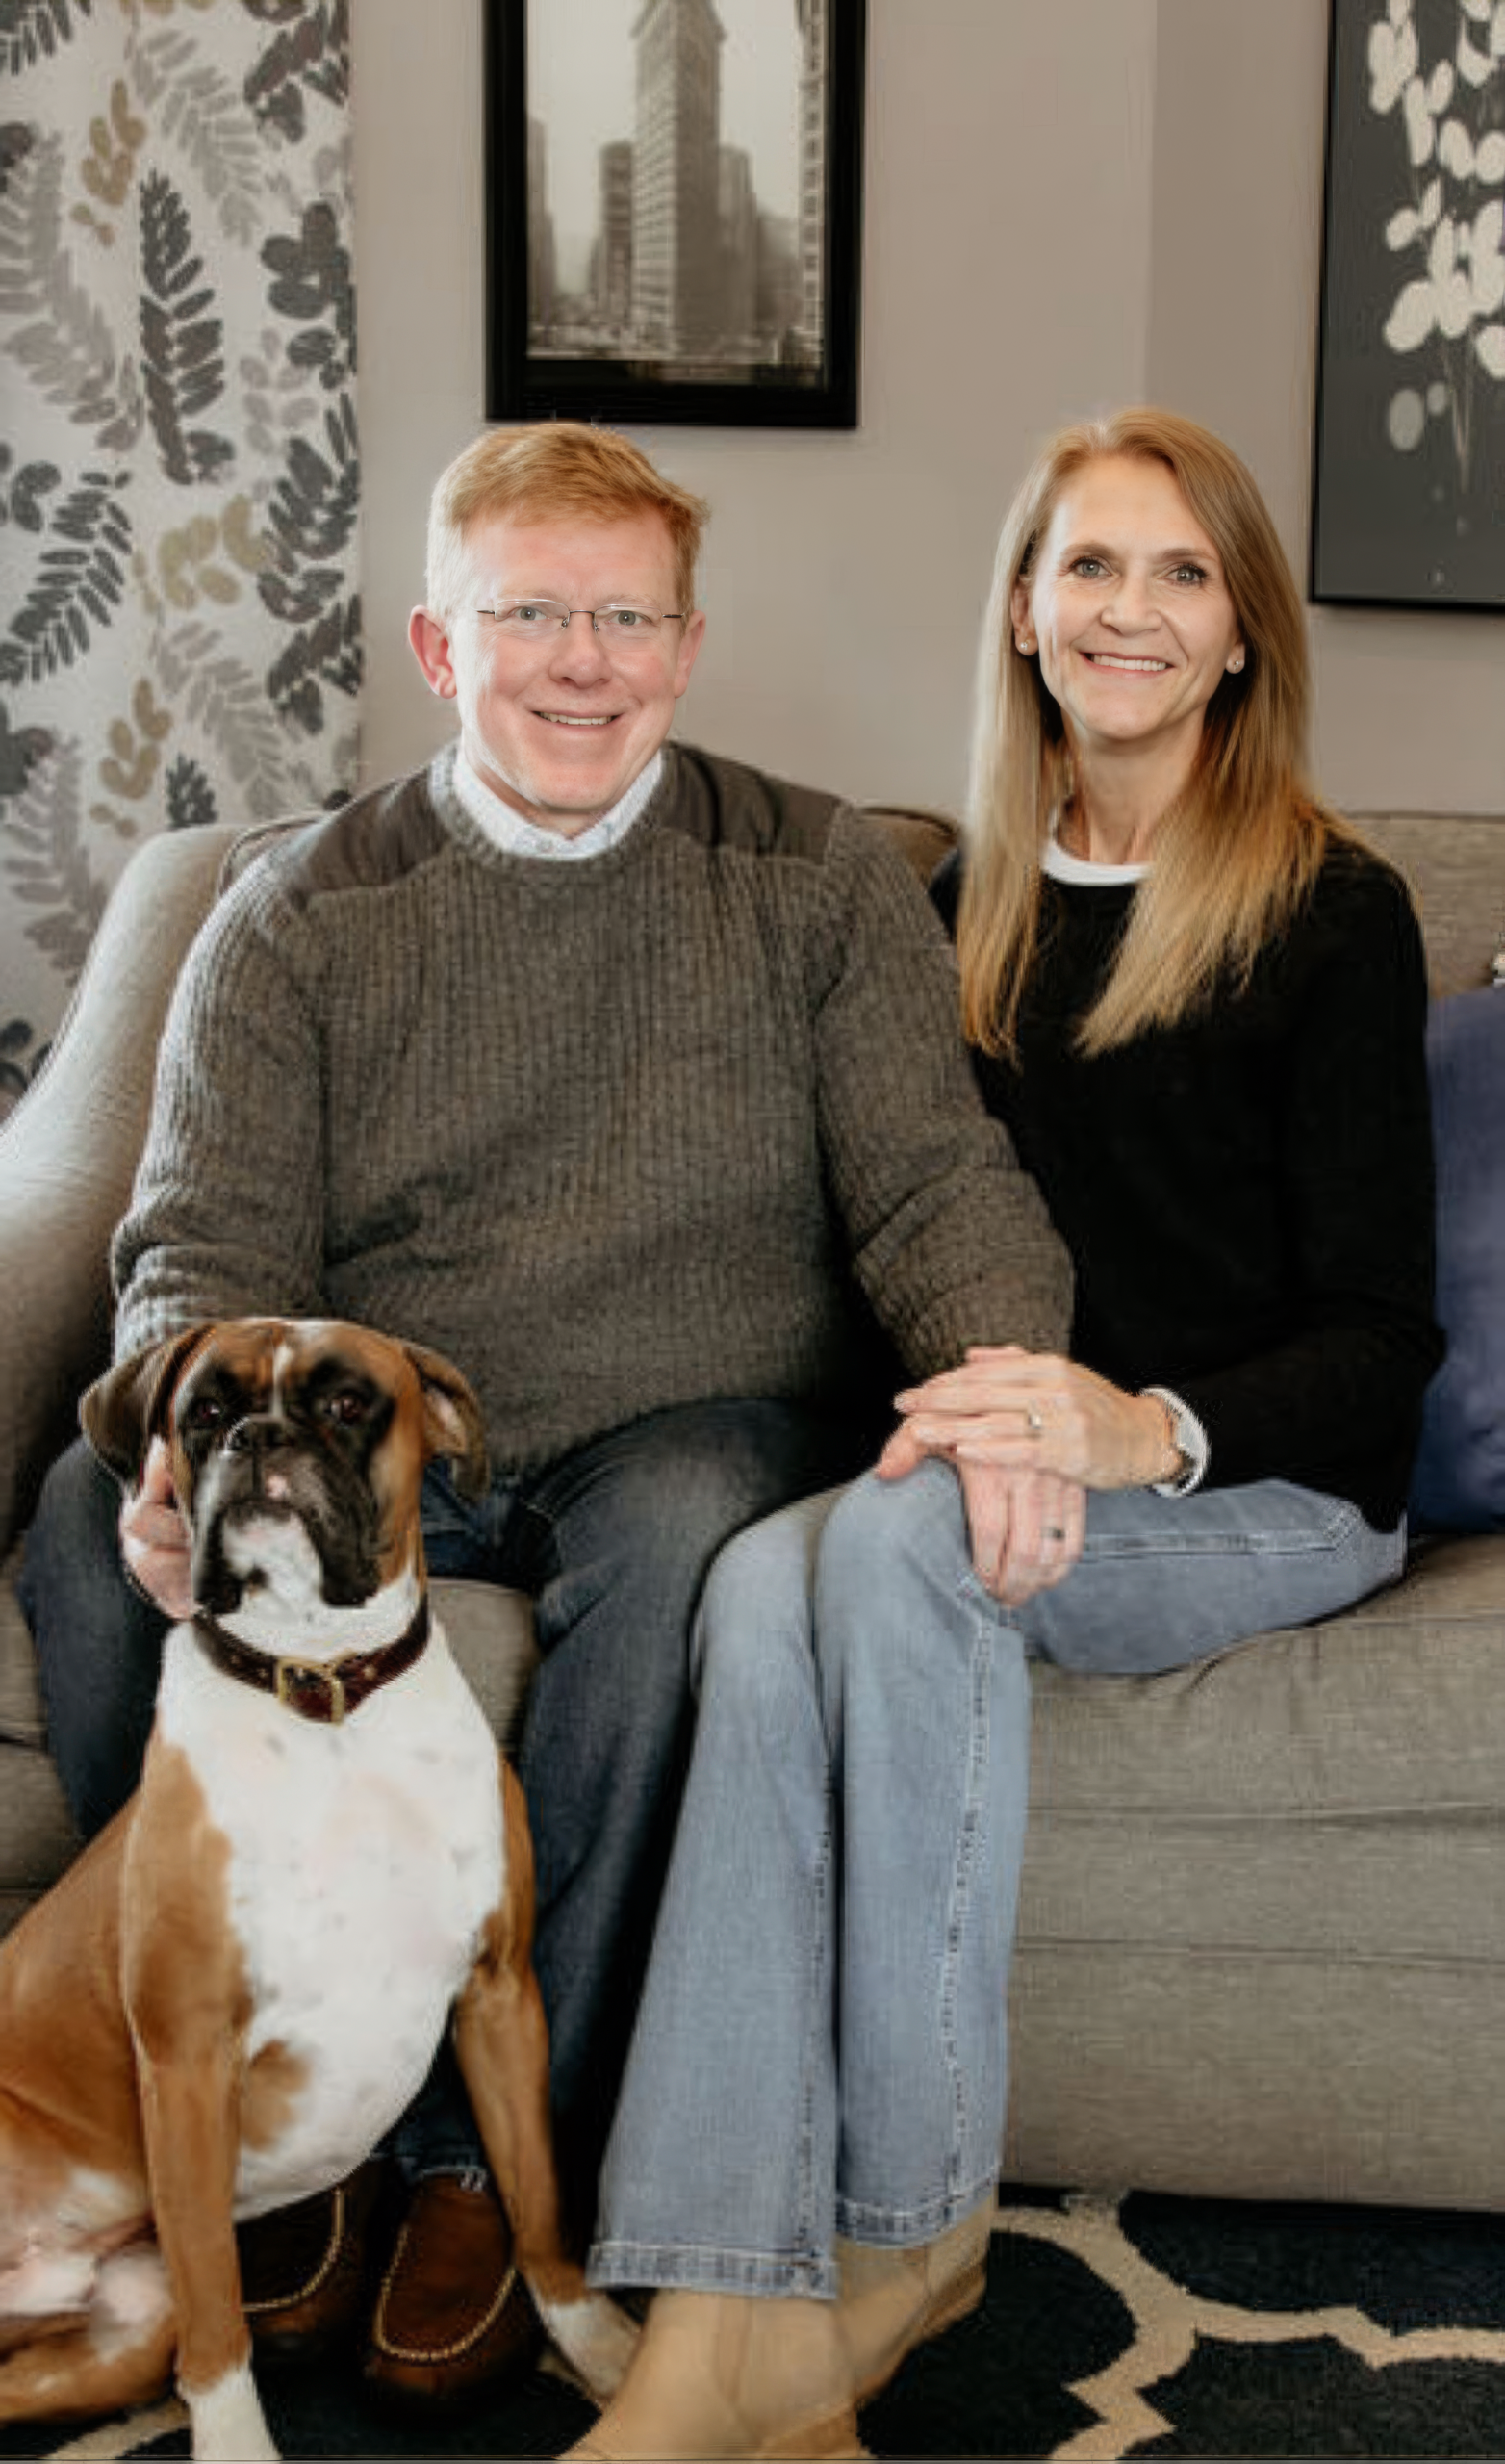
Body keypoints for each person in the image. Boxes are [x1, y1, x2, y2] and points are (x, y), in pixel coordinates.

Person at [16, 420, 1071, 2417]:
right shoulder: (297, 908)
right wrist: (164, 1460)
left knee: (682, 1546)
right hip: (376, 1436)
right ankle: (266, 2117)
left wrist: (1008, 1388)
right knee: (80, 1525)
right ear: (440, 644)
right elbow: (201, 1231)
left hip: (684, 1417)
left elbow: (935, 1183)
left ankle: (470, 2174)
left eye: (626, 619)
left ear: (686, 647)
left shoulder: (814, 878)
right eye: (529, 615)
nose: (582, 662)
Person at [569, 407, 1443, 2461]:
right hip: (1007, 1468)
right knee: (754, 1576)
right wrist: (985, 1421)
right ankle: (721, 2287)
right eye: (1089, 567)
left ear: (1240, 631)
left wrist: (1141, 1428)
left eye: (1181, 572)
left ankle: (912, 2228)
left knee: (894, 1544)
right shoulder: (952, 901)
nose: (1131, 610)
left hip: (1271, 1489)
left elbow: (1380, 1339)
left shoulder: (1335, 911)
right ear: (1026, 616)